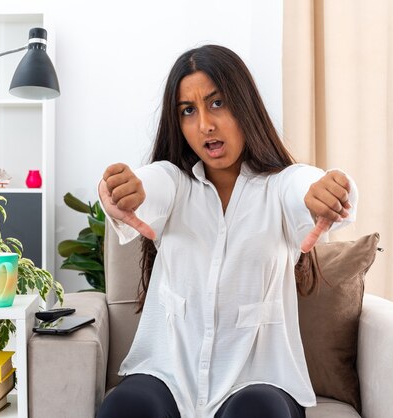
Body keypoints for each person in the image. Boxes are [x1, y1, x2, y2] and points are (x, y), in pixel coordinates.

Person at [96, 45, 357, 418]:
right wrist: (123, 191)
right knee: (124, 407)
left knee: (256, 412)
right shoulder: (174, 182)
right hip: (168, 375)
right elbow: (151, 185)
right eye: (189, 110)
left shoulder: (280, 186)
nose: (205, 124)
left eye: (217, 103)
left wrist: (325, 192)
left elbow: (302, 185)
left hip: (260, 380)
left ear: (244, 105)